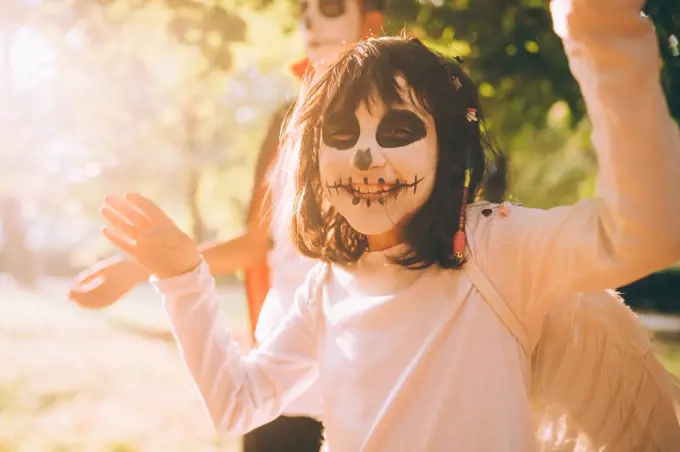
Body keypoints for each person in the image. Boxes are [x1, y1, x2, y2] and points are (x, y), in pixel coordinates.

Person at [93, 0, 680, 450]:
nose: (366, 159)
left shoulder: (499, 249)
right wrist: (182, 277)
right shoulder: (326, 287)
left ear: (446, 149)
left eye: (397, 131)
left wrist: (599, 36)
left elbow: (646, 231)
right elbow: (237, 403)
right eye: (342, 138)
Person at [70, 2, 385, 450]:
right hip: (281, 371)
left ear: (371, 20)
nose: (311, 21)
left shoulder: (408, 120)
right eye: (304, 10)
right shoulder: (286, 121)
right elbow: (260, 243)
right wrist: (143, 268)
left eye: (330, 6)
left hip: (367, 377)